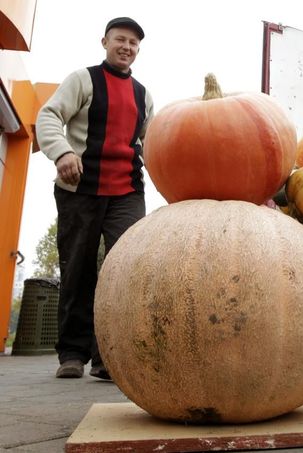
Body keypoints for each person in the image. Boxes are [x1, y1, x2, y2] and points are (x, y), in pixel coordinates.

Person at [36, 17, 154, 380]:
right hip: (80, 189)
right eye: (121, 39)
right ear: (105, 41)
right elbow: (49, 115)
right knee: (78, 270)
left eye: (133, 43)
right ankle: (73, 353)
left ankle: (110, 359)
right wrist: (61, 153)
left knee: (124, 273)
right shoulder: (82, 80)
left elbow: (152, 144)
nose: (127, 47)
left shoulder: (143, 94)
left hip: (127, 193)